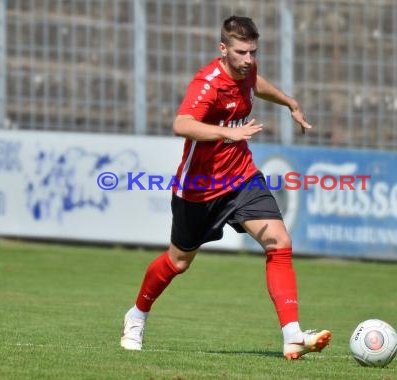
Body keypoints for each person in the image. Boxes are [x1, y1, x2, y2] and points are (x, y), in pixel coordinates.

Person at [120, 15, 331, 360]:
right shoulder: (207, 84)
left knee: (279, 242)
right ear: (223, 49)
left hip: (241, 178)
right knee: (178, 262)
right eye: (241, 52)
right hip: (199, 188)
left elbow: (254, 83)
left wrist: (289, 102)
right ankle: (137, 314)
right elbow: (181, 124)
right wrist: (228, 133)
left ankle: (292, 335)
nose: (248, 59)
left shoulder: (246, 69)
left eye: (252, 52)